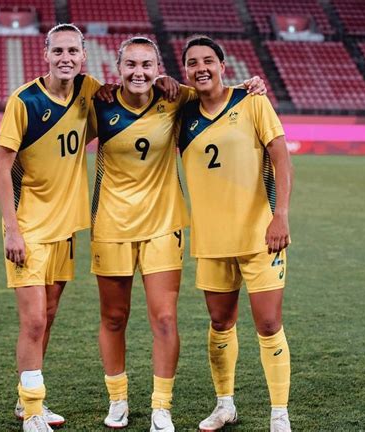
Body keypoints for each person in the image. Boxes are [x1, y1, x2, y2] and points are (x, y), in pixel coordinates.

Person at [88, 36, 267, 432]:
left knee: (166, 318)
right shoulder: (99, 104)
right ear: (118, 69)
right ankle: (117, 400)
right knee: (114, 317)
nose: (139, 72)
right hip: (111, 224)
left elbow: (217, 91)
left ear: (158, 69)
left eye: (147, 65)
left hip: (164, 225)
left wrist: (253, 85)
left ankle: (160, 407)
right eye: (131, 65)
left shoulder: (176, 96)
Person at [178, 36, 293, 432]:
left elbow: (282, 159)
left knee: (267, 322)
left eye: (208, 60)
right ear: (186, 72)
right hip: (211, 239)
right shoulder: (182, 114)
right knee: (220, 322)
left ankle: (279, 414)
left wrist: (280, 216)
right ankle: (224, 404)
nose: (201, 67)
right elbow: (153, 91)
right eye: (192, 63)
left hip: (261, 234)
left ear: (224, 65)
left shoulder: (252, 101)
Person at [0, 23, 102, 432]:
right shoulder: (24, 100)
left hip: (65, 228)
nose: (66, 58)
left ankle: (27, 400)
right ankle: (34, 412)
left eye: (73, 51)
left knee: (49, 316)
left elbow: (137, 88)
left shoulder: (89, 91)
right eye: (58, 51)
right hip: (29, 228)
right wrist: (12, 229)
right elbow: (2, 166)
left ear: (83, 56)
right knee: (34, 321)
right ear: (45, 55)